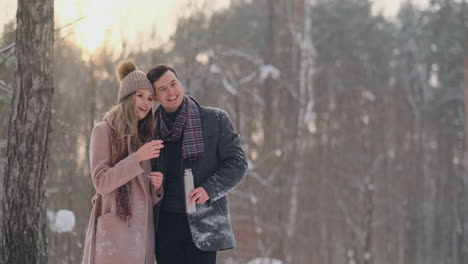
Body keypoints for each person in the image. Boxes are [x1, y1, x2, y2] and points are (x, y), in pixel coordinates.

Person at [147, 64, 248, 264]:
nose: (171, 92)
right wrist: (152, 184)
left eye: (173, 84)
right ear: (156, 97)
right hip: (165, 224)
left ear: (180, 82)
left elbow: (238, 163)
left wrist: (209, 189)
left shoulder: (215, 119)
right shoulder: (149, 129)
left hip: (204, 223)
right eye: (163, 89)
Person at [82, 61, 164, 264]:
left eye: (150, 98)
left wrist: (156, 187)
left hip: (142, 235)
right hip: (114, 236)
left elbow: (144, 198)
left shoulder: (145, 138)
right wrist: (137, 158)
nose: (146, 102)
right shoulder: (103, 131)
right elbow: (101, 182)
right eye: (140, 96)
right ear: (128, 97)